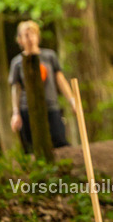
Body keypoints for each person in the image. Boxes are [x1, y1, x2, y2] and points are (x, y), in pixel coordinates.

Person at [9, 21, 76, 151]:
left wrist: (72, 101)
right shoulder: (17, 62)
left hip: (51, 106)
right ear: (20, 40)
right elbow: (15, 88)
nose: (30, 38)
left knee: (60, 141)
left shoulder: (49, 56)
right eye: (26, 35)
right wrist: (15, 113)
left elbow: (60, 80)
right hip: (27, 110)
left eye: (33, 34)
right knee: (33, 147)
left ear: (38, 36)